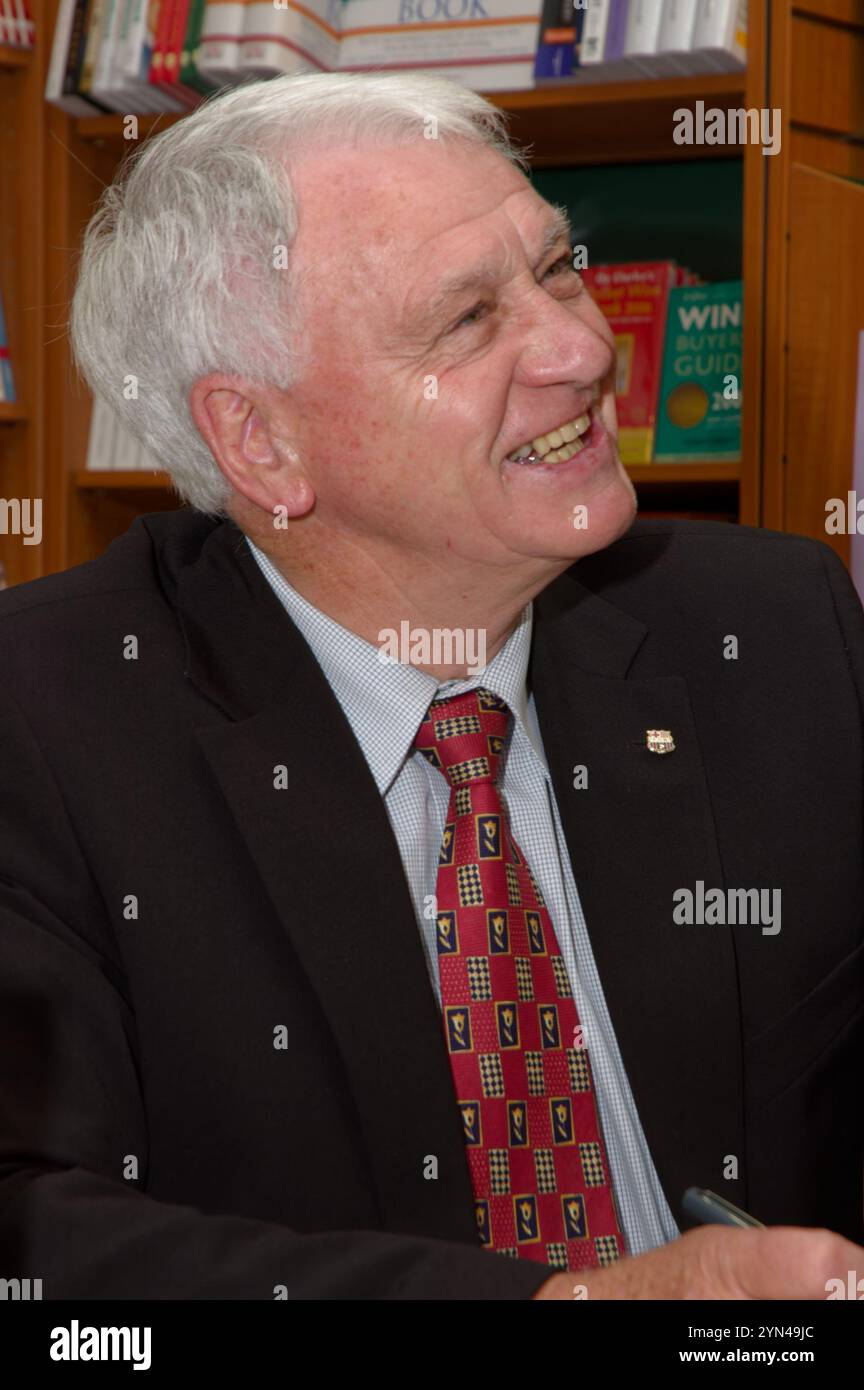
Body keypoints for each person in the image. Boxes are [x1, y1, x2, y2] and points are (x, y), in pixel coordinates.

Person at [1, 72, 862, 1301]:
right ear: (261, 442)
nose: (582, 347)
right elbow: (30, 1234)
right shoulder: (41, 717)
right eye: (467, 321)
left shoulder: (771, 628)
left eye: (556, 269)